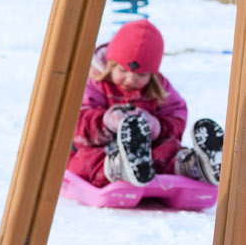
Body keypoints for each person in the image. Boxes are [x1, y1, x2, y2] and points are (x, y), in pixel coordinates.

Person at [69, 19, 223, 188]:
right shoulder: (95, 82)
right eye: (122, 70)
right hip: (102, 148)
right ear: (111, 64)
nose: (131, 79)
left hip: (145, 153)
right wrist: (107, 122)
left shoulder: (158, 87)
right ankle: (118, 166)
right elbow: (76, 121)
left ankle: (193, 166)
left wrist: (157, 127)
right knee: (81, 161)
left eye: (141, 75)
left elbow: (176, 115)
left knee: (166, 151)